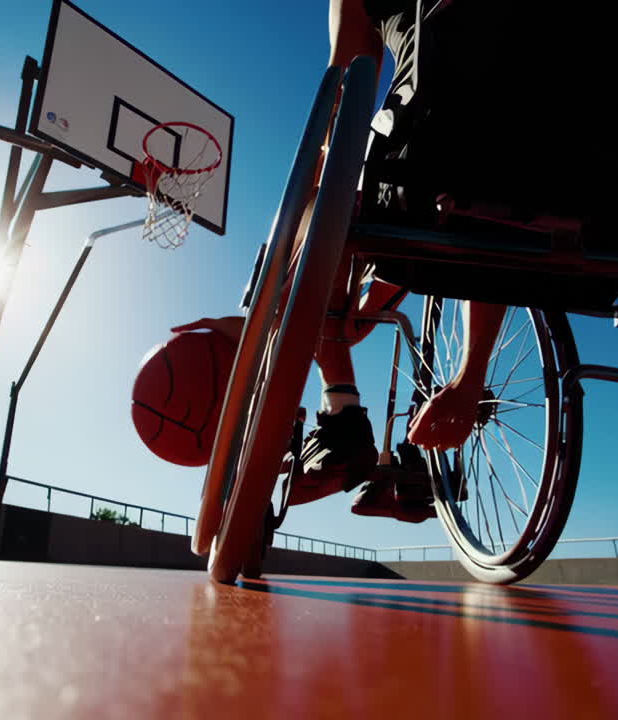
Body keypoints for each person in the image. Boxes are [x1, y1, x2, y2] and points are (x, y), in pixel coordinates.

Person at [174, 0, 506, 522]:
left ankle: (343, 417)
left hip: (447, 141)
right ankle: (452, 390)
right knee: (495, 172)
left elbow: (343, 104)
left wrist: (272, 305)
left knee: (330, 184)